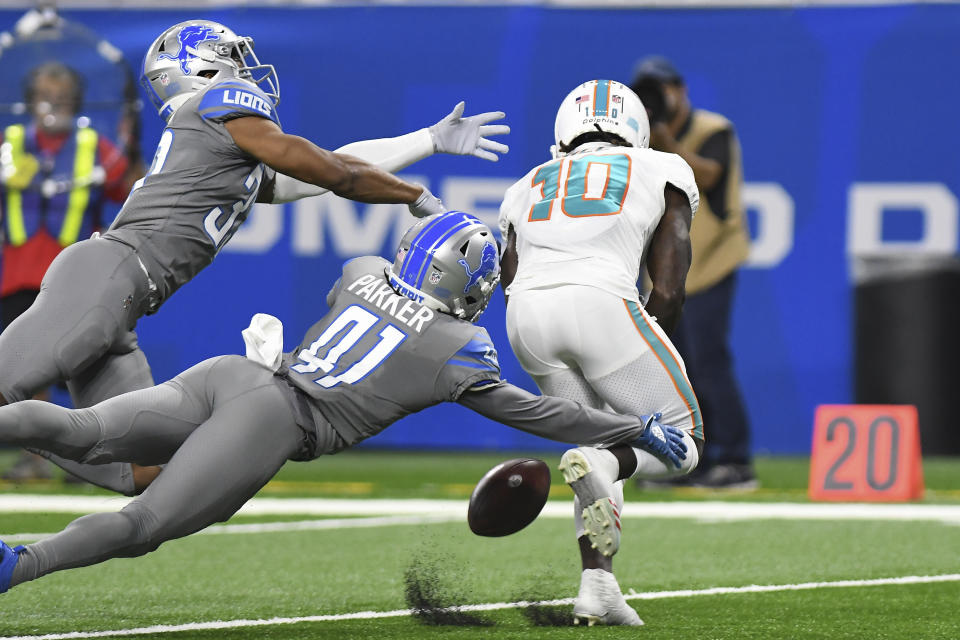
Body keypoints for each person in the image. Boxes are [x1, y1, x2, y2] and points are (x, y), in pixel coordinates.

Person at [0, 211, 688, 594]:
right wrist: (636, 426)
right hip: (276, 419)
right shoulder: (458, 347)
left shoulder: (362, 273)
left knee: (81, 430)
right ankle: (16, 566)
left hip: (233, 374)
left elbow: (364, 282)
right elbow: (544, 414)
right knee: (142, 524)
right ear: (470, 287)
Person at [0, 20, 510, 496]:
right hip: (106, 277)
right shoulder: (218, 104)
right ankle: (21, 418)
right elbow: (336, 173)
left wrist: (427, 140)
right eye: (231, 57)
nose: (245, 69)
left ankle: (27, 425)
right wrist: (413, 195)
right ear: (198, 67)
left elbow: (328, 168)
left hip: (124, 302)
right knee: (6, 382)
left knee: (141, 469)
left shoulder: (220, 146)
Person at [498, 79, 701, 626]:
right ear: (635, 128)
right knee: (682, 442)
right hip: (601, 302)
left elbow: (509, 277)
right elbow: (669, 287)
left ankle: (598, 586)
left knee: (592, 445)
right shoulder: (663, 167)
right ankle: (609, 461)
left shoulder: (525, 184)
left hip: (526, 319)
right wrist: (638, 357)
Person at [0, 61, 138, 482]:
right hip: (17, 276)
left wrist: (133, 148)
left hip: (75, 276)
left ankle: (91, 460)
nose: (52, 104)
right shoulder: (9, 142)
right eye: (45, 95)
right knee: (27, 371)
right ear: (30, 98)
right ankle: (37, 458)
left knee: (85, 370)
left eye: (62, 98)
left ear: (76, 101)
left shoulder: (95, 146)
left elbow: (131, 186)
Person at [630, 56, 756, 489]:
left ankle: (736, 461)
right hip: (666, 273)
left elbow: (709, 174)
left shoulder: (712, 129)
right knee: (670, 370)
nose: (656, 102)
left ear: (680, 91)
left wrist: (664, 139)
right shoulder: (637, 140)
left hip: (711, 262)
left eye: (661, 91)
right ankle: (689, 462)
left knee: (709, 361)